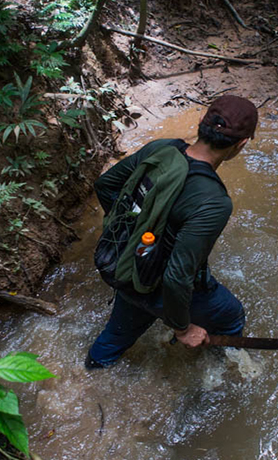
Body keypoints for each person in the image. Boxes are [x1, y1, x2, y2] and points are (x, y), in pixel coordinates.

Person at [86, 95, 259, 369]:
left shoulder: (161, 149)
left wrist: (132, 232)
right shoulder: (214, 201)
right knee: (231, 314)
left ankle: (91, 371)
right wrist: (182, 329)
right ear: (242, 144)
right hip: (156, 285)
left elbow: (106, 186)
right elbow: (178, 277)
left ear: (201, 121)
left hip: (126, 268)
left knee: (116, 335)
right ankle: (218, 370)